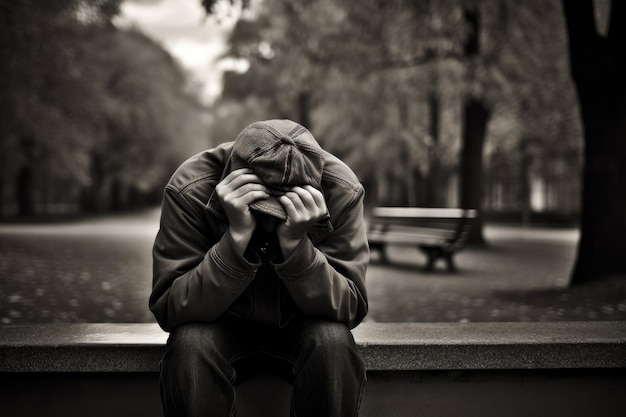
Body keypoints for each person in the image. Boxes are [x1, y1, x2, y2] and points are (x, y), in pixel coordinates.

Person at [150, 119, 369, 417]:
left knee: (333, 343)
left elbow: (351, 306)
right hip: (219, 324)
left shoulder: (342, 190)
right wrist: (236, 238)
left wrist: (295, 244)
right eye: (262, 209)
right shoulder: (189, 188)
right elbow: (170, 306)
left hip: (303, 326)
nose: (269, 223)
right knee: (189, 345)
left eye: (282, 212)